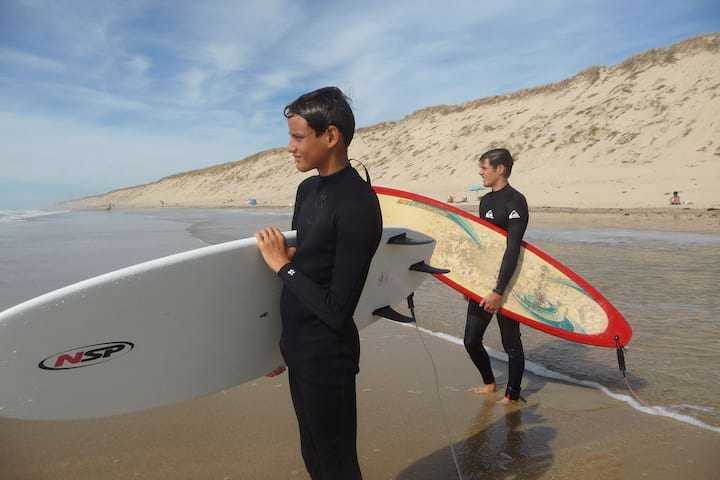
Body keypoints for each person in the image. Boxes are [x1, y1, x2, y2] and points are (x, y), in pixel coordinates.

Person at [255, 86, 382, 480]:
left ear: (330, 136)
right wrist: (274, 344)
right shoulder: (307, 189)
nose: (290, 147)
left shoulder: (358, 204)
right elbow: (309, 263)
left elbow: (336, 308)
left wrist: (282, 265)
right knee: (311, 452)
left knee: (338, 464)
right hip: (298, 348)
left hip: (329, 357)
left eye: (298, 137)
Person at [464, 148, 528, 404]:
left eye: (484, 167)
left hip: (508, 283)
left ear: (500, 169)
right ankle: (489, 383)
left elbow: (512, 249)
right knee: (471, 340)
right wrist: (469, 281)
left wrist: (499, 291)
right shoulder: (485, 202)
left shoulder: (516, 201)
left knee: (511, 342)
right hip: (484, 282)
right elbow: (485, 248)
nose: (481, 172)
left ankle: (512, 395)